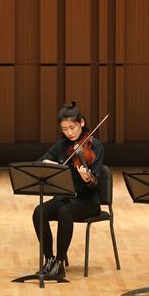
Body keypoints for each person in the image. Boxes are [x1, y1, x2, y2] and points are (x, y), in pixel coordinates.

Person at [32, 101, 104, 280]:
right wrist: (48, 163)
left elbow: (94, 183)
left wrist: (88, 179)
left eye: (72, 127)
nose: (69, 133)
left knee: (65, 212)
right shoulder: (62, 145)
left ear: (82, 123)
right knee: (39, 211)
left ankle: (59, 263)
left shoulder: (95, 146)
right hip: (65, 198)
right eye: (64, 129)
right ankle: (49, 259)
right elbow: (40, 161)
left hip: (87, 202)